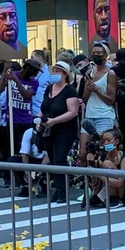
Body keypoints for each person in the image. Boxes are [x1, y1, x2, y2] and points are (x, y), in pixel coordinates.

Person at [39, 61, 80, 203]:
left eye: (58, 71)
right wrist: (39, 120)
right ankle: (57, 188)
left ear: (64, 74)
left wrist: (55, 120)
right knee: (52, 159)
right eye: (54, 71)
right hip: (48, 130)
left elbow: (73, 112)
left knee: (60, 159)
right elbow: (43, 107)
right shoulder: (49, 89)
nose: (55, 73)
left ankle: (63, 191)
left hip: (64, 130)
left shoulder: (69, 90)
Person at [0, 58, 41, 158]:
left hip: (26, 121)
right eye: (34, 71)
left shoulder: (34, 82)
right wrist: (4, 71)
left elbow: (27, 95)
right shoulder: (12, 74)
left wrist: (16, 80)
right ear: (27, 68)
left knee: (26, 150)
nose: (35, 74)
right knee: (11, 149)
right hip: (12, 120)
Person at [80, 42, 116, 162]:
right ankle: (85, 179)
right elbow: (84, 99)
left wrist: (97, 90)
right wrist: (89, 90)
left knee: (101, 153)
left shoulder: (110, 74)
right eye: (94, 53)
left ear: (105, 55)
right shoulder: (90, 72)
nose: (96, 55)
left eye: (99, 53)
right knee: (83, 153)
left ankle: (100, 179)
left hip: (104, 116)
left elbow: (111, 100)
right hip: (89, 115)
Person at [85, 128, 125, 209]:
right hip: (105, 188)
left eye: (109, 140)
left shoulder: (124, 158)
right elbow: (94, 179)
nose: (106, 143)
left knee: (106, 163)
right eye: (104, 141)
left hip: (122, 192)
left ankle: (114, 198)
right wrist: (91, 163)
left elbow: (120, 183)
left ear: (117, 141)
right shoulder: (103, 155)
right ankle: (98, 196)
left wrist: (98, 174)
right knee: (98, 163)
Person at [31, 49, 50, 117]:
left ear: (39, 58)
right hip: (31, 111)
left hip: (43, 111)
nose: (31, 60)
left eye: (32, 57)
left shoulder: (49, 73)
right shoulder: (32, 72)